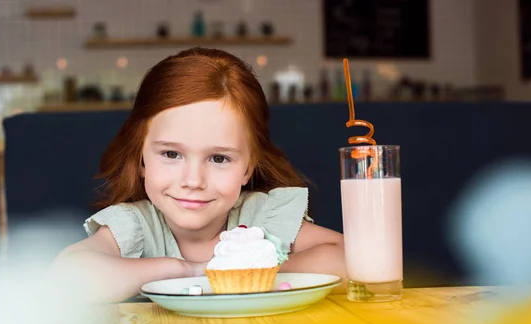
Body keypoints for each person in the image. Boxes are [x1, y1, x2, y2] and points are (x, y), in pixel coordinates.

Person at [53, 47, 345, 302]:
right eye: (171, 154)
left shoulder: (261, 218)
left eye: (219, 158)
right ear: (141, 159)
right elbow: (67, 277)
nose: (193, 181)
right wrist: (187, 271)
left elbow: (348, 257)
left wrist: (247, 273)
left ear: (248, 167)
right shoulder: (137, 225)